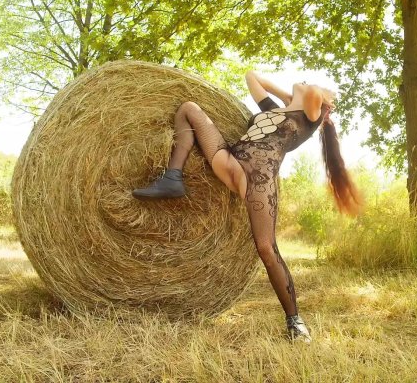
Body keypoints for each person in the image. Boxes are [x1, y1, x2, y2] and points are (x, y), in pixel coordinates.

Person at [132, 70, 362, 343]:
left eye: (308, 82)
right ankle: (172, 177)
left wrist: (316, 95)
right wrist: (289, 96)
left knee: (266, 247)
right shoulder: (274, 109)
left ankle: (294, 320)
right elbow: (252, 77)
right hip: (230, 160)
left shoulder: (308, 118)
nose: (303, 81)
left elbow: (314, 94)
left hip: (258, 179)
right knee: (189, 109)